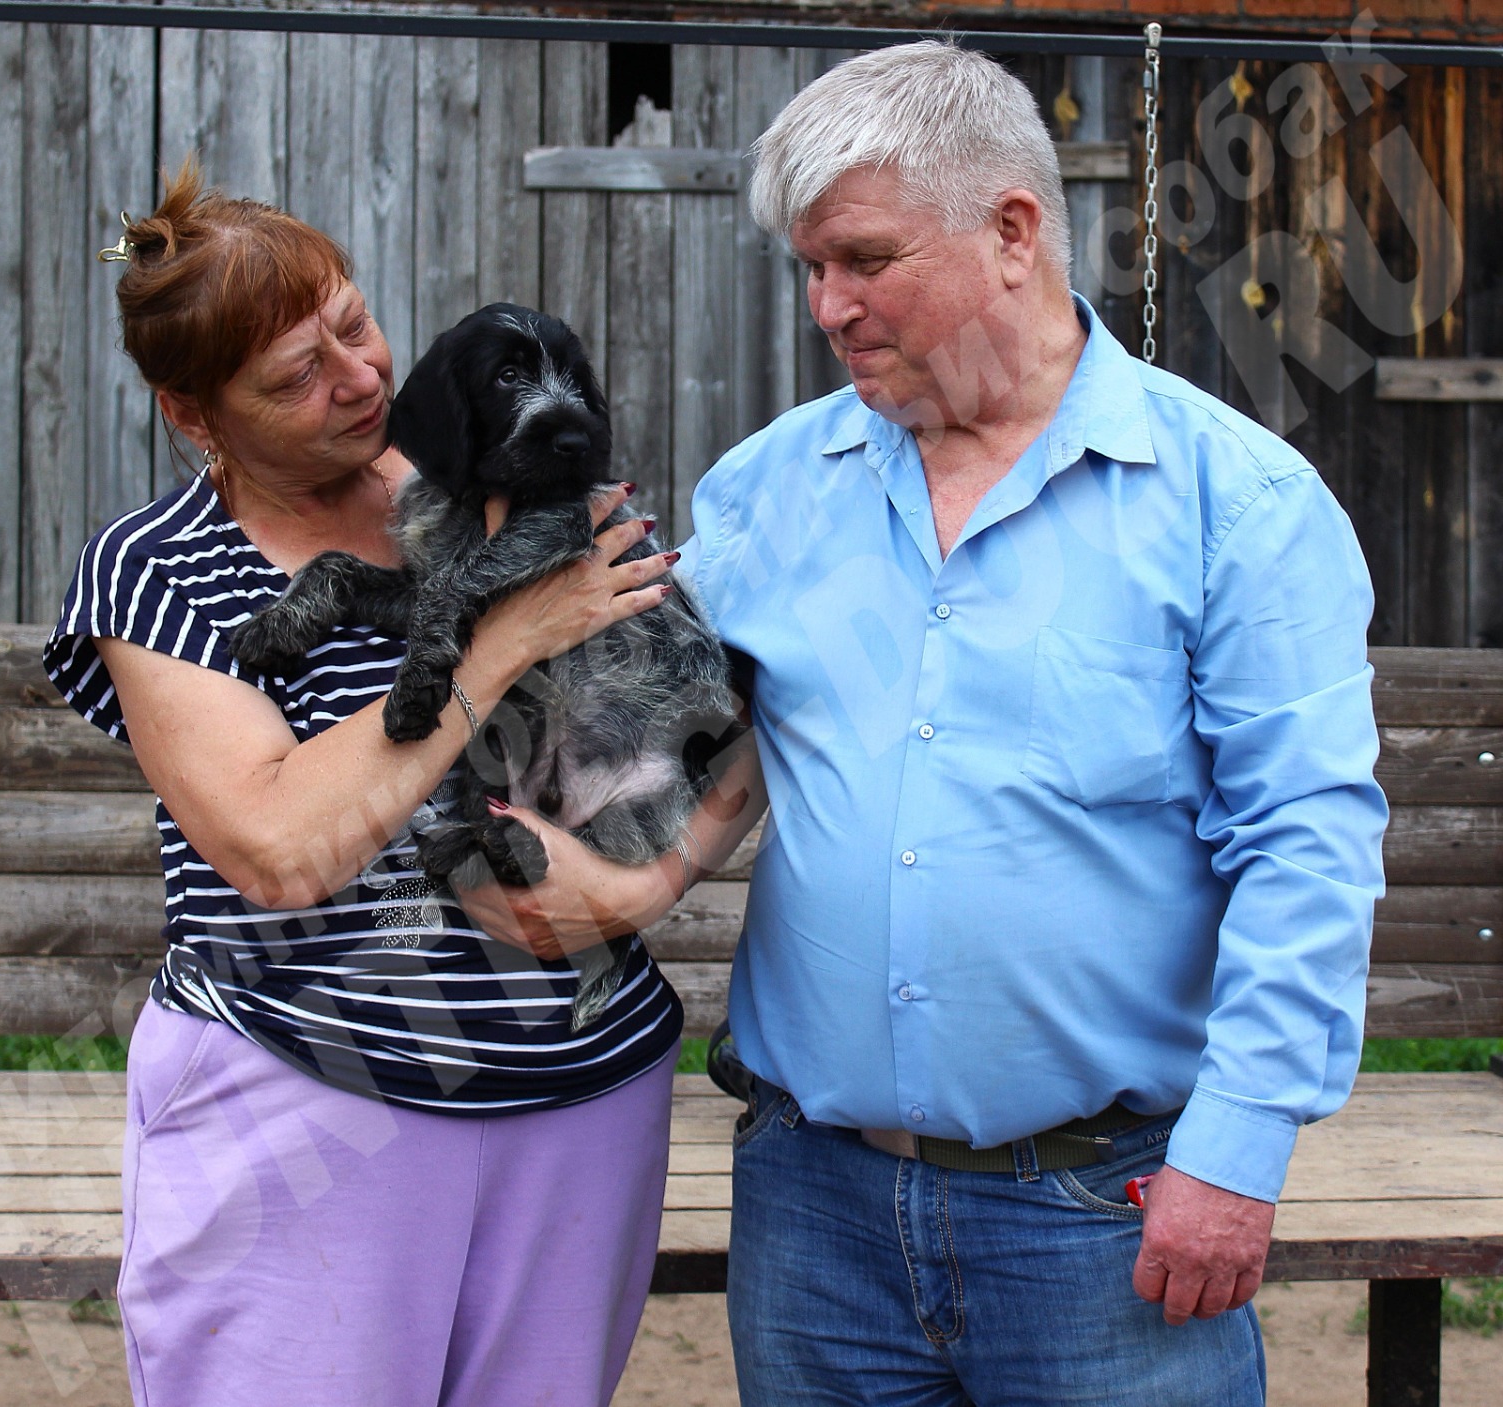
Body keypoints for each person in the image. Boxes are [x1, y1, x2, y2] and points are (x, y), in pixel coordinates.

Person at [476, 40, 1389, 1407]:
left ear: (1013, 232)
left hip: (1104, 1212)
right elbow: (660, 750)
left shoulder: (1236, 504)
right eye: (809, 267)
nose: (827, 305)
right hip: (815, 1209)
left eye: (863, 259)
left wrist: (1238, 1150)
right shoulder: (770, 488)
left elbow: (1306, 845)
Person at [44, 161, 698, 1407]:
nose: (357, 379)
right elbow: (281, 848)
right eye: (296, 375)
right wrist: (501, 641)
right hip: (307, 1110)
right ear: (194, 414)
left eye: (353, 325)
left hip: (581, 1091)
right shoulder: (158, 569)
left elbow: (710, 721)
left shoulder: (509, 481)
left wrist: (641, 886)